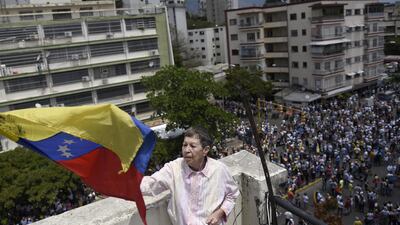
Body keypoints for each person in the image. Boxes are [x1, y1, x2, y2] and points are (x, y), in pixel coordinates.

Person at [141, 127, 239, 225]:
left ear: (205, 150)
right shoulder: (174, 169)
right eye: (184, 145)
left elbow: (232, 194)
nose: (187, 150)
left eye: (192, 146)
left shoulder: (219, 170)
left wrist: (220, 213)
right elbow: (150, 184)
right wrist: (128, 182)